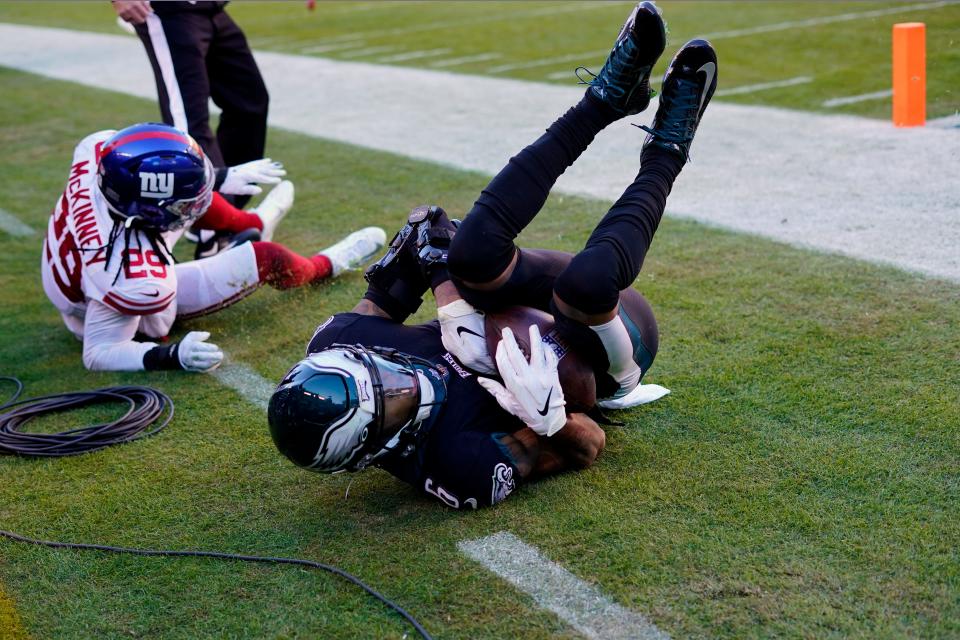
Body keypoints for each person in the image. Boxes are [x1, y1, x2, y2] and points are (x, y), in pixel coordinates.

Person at [268, 2, 718, 509]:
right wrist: (550, 420)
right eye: (390, 403)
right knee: (587, 285)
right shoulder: (457, 467)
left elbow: (424, 231)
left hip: (516, 305)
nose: (401, 383)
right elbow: (589, 443)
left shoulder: (342, 341)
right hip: (598, 357)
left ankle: (605, 100)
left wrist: (453, 309)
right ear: (377, 446)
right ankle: (667, 153)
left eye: (382, 375)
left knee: (471, 252)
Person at [41, 122, 386, 373]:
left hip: (111, 247)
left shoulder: (100, 158)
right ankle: (328, 263)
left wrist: (218, 177)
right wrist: (170, 356)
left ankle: (252, 225)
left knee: (189, 200)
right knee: (265, 258)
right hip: (96, 307)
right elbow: (100, 352)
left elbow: (165, 190)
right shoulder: (132, 277)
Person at [112, 1, 268, 179]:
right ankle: (207, 202)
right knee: (188, 126)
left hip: (211, 8)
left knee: (248, 103)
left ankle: (228, 199)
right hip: (169, 10)